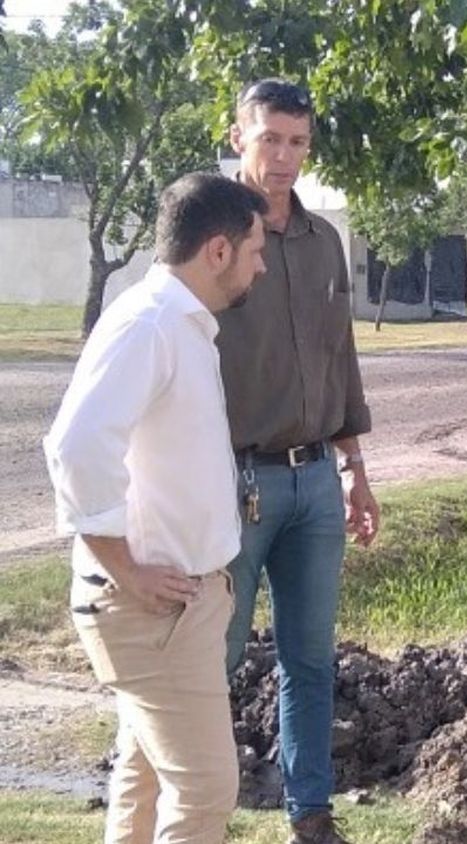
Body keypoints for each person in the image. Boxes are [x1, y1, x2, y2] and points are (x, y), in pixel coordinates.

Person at [43, 172, 268, 843]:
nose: (262, 263)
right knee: (204, 790)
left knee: (143, 787)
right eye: (255, 249)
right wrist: (125, 567)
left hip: (174, 607)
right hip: (155, 610)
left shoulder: (179, 323)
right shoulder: (152, 324)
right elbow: (78, 447)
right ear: (219, 251)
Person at [218, 78, 379, 844]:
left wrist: (354, 471)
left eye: (298, 142)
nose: (283, 158)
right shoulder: (209, 234)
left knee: (310, 662)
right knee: (207, 662)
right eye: (269, 139)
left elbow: (338, 358)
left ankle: (310, 814)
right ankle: (180, 811)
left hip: (314, 479)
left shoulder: (324, 243)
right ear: (237, 135)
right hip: (230, 483)